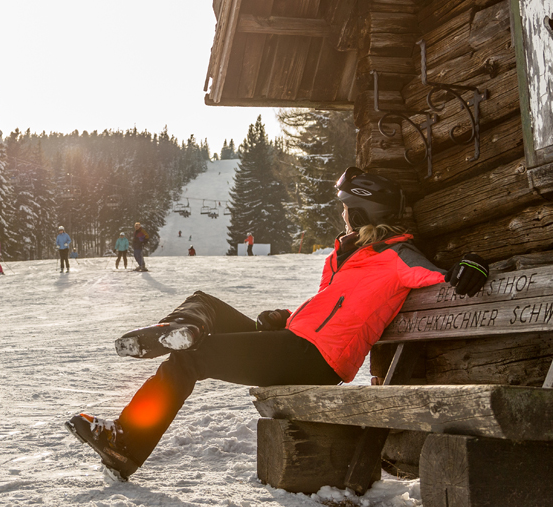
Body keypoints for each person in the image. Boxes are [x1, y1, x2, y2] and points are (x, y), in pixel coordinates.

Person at [65, 167, 491, 481]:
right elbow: (328, 309)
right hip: (295, 341)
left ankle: (126, 442)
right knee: (203, 302)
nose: (342, 216)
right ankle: (177, 329)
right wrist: (285, 318)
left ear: (361, 210)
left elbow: (440, 274)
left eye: (346, 208)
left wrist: (472, 266)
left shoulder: (398, 255)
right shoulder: (341, 258)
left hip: (316, 360)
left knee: (191, 361)